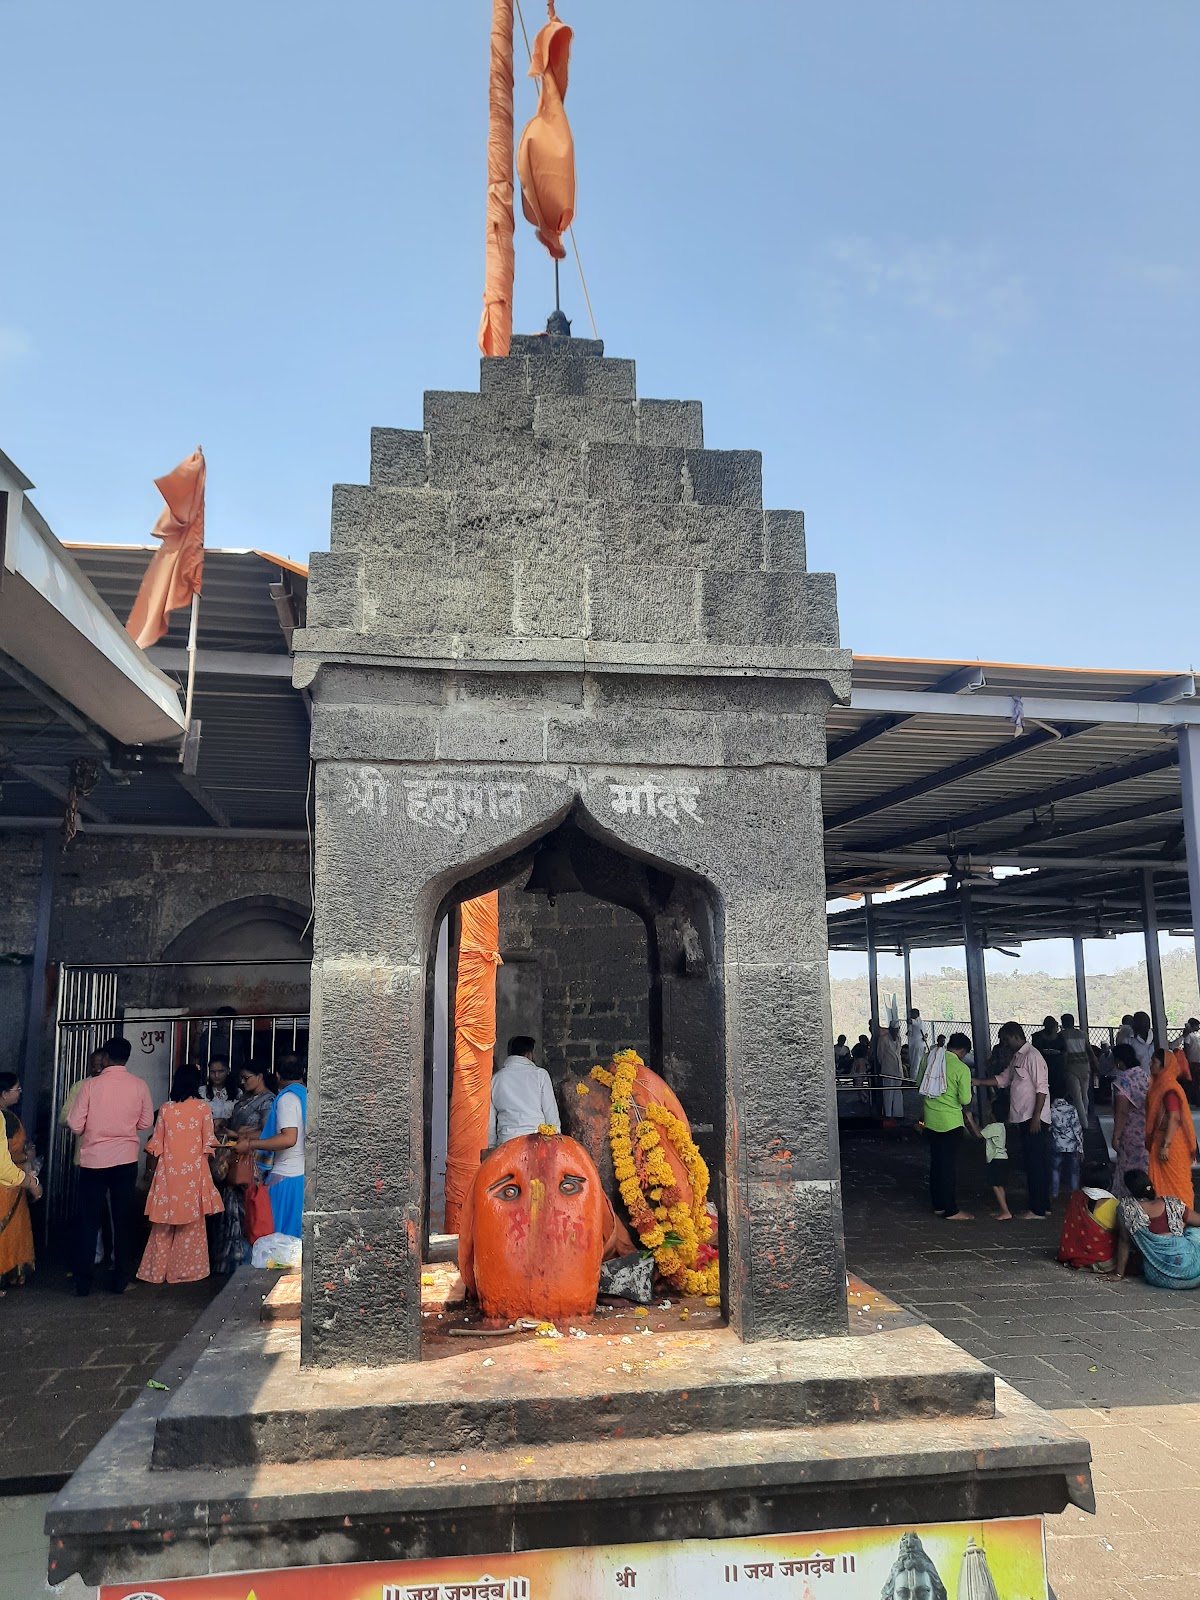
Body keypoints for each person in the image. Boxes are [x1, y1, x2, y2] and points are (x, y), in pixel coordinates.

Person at [67, 1036, 154, 1295]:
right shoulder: (139, 1086)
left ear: (105, 1058)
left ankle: (83, 1283)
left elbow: (74, 1124)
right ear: (127, 1058)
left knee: (89, 1220)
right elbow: (145, 1122)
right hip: (124, 1161)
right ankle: (120, 1280)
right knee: (122, 1220)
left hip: (93, 1161)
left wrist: (93, 1130)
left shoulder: (90, 1086)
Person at [137, 1065, 223, 1285]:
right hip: (194, 1174)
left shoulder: (165, 1109)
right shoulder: (203, 1109)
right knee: (192, 1226)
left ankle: (156, 1272)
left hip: (168, 1174)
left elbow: (156, 1144)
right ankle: (185, 1272)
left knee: (162, 1226)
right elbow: (209, 1143)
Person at [974, 1021, 1051, 1220]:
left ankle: (1038, 1209)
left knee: (1036, 1164)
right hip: (1023, 1117)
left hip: (1033, 1117)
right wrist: (979, 1082)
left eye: (1006, 1039)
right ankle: (1041, 1204)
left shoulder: (1033, 1056)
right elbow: (1004, 1079)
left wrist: (1036, 1118)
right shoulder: (1018, 1056)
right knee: (1033, 1162)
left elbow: (1042, 1089)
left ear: (1015, 1035)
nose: (1004, 1044)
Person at [214, 1064, 276, 1273]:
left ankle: (248, 1260)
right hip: (238, 1159)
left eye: (246, 1077)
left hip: (254, 1162)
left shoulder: (268, 1101)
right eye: (240, 1078)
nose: (242, 1082)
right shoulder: (244, 1099)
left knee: (248, 1212)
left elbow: (268, 1132)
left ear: (260, 1076)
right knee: (234, 1211)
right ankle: (234, 1262)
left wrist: (241, 1135)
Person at [238, 1054, 307, 1238]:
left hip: (286, 1179)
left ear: (277, 1075)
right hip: (302, 1177)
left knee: (277, 1242)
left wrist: (251, 1144)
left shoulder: (287, 1099)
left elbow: (288, 1138)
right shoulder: (308, 1096)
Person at [916, 1033, 974, 1222]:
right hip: (951, 1123)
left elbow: (919, 1084)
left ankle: (938, 1205)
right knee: (948, 1167)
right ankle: (951, 1210)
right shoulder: (961, 1068)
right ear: (963, 1051)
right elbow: (965, 1099)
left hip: (930, 1120)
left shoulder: (929, 1058)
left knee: (936, 1164)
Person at [1114, 1170, 1200, 1290]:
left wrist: (1118, 1274)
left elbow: (1124, 1242)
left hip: (1159, 1276)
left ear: (1129, 1189)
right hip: (1192, 1274)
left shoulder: (1126, 1209)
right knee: (1194, 1233)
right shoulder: (1172, 1203)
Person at [1145, 1047, 1195, 1210]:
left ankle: (1182, 1219)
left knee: (1177, 1185)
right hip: (1165, 1141)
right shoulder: (1160, 1086)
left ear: (1164, 1066)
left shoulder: (1169, 1089)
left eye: (1154, 1062)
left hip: (1171, 1144)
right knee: (1166, 1186)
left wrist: (1165, 1145)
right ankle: (1168, 1219)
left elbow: (1174, 1117)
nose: (1150, 1064)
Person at [488, 1036, 560, 1146]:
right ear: (528, 1054)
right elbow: (551, 1113)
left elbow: (490, 1123)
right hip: (537, 1142)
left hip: (506, 1143)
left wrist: (491, 1148)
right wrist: (556, 1140)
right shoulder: (540, 1075)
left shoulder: (496, 1079)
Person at [0, 1074, 36, 1287]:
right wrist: (26, 1159)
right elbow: (7, 1158)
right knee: (8, 1233)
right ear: (4, 1094)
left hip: (11, 1181)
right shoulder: (6, 1120)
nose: (20, 1092)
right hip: (8, 1185)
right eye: (17, 1088)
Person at [1110, 1042, 1150, 1200]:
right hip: (1146, 1131)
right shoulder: (1143, 1075)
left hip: (1131, 1133)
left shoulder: (1124, 1081)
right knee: (1144, 1168)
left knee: (1128, 1170)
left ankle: (1128, 1204)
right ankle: (1146, 1198)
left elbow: (1122, 1109)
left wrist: (1116, 1136)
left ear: (1119, 1061)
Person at [1049, 1063, 1084, 1200]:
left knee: (1055, 1169)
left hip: (1057, 1144)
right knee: (1074, 1172)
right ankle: (1074, 1193)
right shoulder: (1071, 1109)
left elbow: (1050, 1127)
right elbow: (1077, 1129)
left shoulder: (1050, 1110)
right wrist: (1081, 1147)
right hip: (1072, 1145)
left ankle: (1054, 1192)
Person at [976, 1103, 1012, 1220]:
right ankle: (1003, 1208)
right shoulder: (1001, 1126)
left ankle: (1006, 1211)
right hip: (1003, 1158)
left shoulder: (993, 1127)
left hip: (995, 1159)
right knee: (1000, 1185)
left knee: (995, 1185)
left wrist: (971, 1120)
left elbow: (978, 1134)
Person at [1059, 1013, 1092, 1125]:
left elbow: (1064, 1054)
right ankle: (1085, 1116)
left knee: (1076, 1097)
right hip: (1084, 1066)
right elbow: (1089, 1049)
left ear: (1063, 1023)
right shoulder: (1082, 1034)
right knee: (1084, 1094)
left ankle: (1083, 1123)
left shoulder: (1062, 1035)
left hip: (1071, 1067)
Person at [878, 1022, 904, 1123]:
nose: (895, 1032)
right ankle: (888, 1114)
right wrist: (885, 1064)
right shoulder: (883, 1039)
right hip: (888, 1069)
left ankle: (898, 1113)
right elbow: (879, 1055)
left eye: (897, 1030)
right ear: (890, 1029)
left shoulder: (899, 1039)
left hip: (898, 1068)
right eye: (894, 1030)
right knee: (888, 1091)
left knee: (898, 1090)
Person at [198, 1056, 234, 1124]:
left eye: (221, 1071)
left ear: (228, 1071)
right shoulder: (201, 1092)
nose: (216, 1075)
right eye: (213, 1072)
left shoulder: (237, 1093)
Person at [907, 1009, 928, 1082]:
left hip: (917, 1045)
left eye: (911, 1014)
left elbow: (909, 1021)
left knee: (915, 1062)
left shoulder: (917, 1022)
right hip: (917, 1044)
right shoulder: (921, 1022)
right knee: (916, 1062)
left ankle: (914, 1079)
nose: (910, 1016)